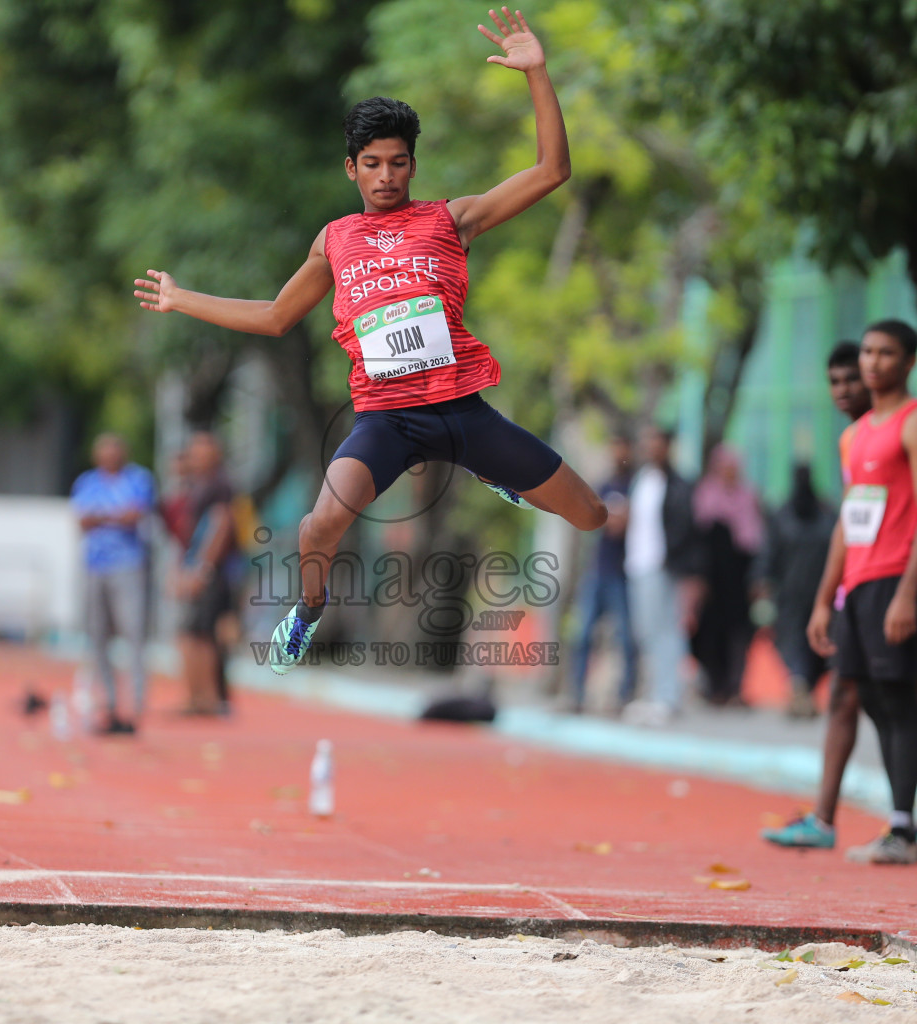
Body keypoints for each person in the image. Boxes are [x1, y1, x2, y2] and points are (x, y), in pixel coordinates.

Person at [133, 9, 608, 674]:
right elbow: (275, 316)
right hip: (387, 420)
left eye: (399, 163)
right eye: (373, 164)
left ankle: (493, 471)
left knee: (590, 516)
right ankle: (308, 610)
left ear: (413, 165)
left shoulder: (452, 219)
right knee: (316, 526)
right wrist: (185, 299)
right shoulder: (334, 240)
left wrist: (537, 73)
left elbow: (552, 169)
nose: (387, 176)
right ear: (352, 168)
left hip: (461, 410)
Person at [763, 341, 917, 853]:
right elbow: (851, 520)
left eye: (854, 377)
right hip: (859, 586)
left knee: (911, 699)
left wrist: (908, 500)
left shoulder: (910, 424)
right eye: (837, 381)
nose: (846, 387)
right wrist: (827, 598)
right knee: (858, 695)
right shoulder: (854, 438)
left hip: (896, 581)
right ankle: (830, 818)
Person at [71, 434, 155, 734]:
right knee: (97, 636)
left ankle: (135, 705)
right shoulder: (87, 481)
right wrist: (115, 517)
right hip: (95, 567)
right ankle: (108, 701)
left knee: (133, 634)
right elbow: (82, 520)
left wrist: (102, 517)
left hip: (127, 565)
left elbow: (135, 515)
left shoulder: (138, 479)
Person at [622, 426, 703, 724]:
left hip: (663, 566)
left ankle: (668, 697)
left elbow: (686, 529)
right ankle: (656, 692)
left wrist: (685, 569)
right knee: (646, 631)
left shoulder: (679, 484)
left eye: (657, 442)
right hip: (637, 564)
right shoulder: (641, 481)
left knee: (666, 630)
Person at [755, 463, 837, 718]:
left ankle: (804, 691)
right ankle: (800, 689)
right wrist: (762, 581)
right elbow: (769, 552)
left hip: (822, 596)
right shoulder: (786, 516)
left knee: (819, 646)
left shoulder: (826, 514)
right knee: (793, 645)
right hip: (792, 598)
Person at [568, 432, 637, 714]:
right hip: (597, 570)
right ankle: (577, 695)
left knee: (625, 638)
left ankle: (624, 696)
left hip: (623, 573)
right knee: (582, 634)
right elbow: (592, 519)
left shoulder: (637, 485)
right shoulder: (603, 485)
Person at [691, 444, 763, 707]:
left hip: (740, 583)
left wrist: (757, 580)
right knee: (709, 636)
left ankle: (735, 688)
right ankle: (714, 687)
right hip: (711, 583)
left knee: (739, 635)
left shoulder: (749, 496)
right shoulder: (705, 495)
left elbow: (755, 543)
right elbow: (699, 540)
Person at [176, 431, 237, 715]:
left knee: (200, 635)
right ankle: (198, 697)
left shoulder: (219, 485)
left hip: (211, 572)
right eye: (194, 452)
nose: (197, 457)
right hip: (199, 567)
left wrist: (201, 569)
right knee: (194, 634)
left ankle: (207, 699)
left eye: (203, 452)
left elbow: (221, 524)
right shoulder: (198, 485)